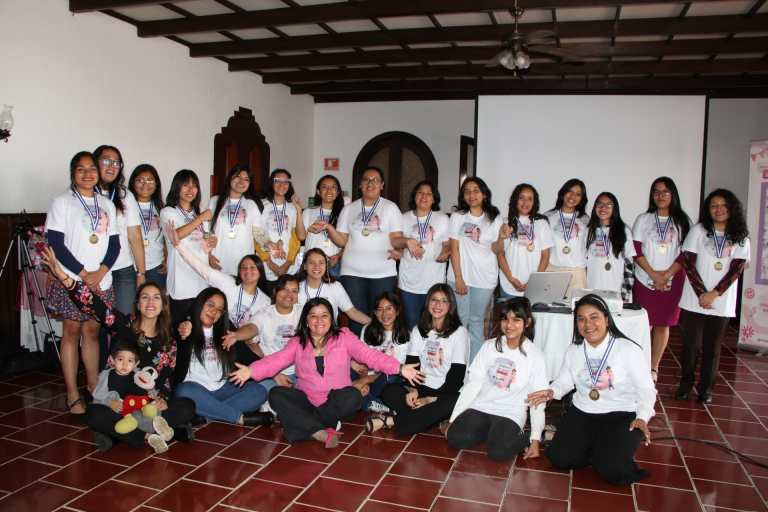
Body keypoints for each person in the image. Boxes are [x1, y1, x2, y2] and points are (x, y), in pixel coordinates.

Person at [42, 246, 195, 451]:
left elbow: (168, 377)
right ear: (137, 304)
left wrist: (163, 399)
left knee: (187, 406)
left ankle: (125, 435)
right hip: (119, 405)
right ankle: (153, 434)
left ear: (163, 305)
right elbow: (92, 303)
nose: (150, 302)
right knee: (94, 413)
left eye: (156, 297)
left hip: (148, 406)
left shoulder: (168, 339)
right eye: (145, 297)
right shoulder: (123, 325)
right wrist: (62, 276)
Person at [229, 297, 424, 448]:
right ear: (306, 320)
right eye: (313, 316)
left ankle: (303, 426)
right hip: (307, 401)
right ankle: (319, 430)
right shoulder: (298, 342)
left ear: (332, 319)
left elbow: (370, 356)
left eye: (324, 315)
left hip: (335, 402)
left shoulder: (344, 337)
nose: (319, 320)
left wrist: (399, 368)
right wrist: (251, 371)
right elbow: (276, 360)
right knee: (275, 394)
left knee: (353, 396)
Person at [528, 294, 656, 485]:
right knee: (559, 458)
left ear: (607, 319)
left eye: (594, 317)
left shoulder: (628, 350)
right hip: (584, 411)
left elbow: (646, 389)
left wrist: (642, 417)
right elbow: (565, 380)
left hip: (621, 414)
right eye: (581, 319)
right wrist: (551, 391)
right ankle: (597, 446)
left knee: (614, 471)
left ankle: (604, 449)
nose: (588, 324)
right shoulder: (575, 350)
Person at [45, 151, 119, 416]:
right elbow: (55, 243)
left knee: (92, 332)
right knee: (71, 332)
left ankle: (93, 387)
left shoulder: (106, 204)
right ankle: (72, 393)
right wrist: (83, 273)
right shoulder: (62, 202)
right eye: (81, 169)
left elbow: (114, 244)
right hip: (72, 279)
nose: (87, 174)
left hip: (101, 281)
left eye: (92, 169)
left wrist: (100, 272)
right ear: (73, 173)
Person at [446, 298, 548, 461]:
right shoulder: (489, 346)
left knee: (499, 452)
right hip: (482, 406)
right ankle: (493, 433)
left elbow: (538, 399)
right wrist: (455, 418)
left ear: (527, 322)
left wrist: (535, 439)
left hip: (510, 412)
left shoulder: (536, 356)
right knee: (455, 437)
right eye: (505, 319)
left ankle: (529, 436)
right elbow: (473, 384)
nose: (509, 325)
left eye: (516, 320)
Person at [676, 189, 750, 404]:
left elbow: (736, 269)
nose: (719, 210)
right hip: (694, 300)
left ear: (732, 208)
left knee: (713, 348)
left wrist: (714, 294)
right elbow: (688, 263)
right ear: (708, 209)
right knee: (691, 346)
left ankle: (706, 389)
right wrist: (702, 294)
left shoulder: (741, 236)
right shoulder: (699, 230)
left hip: (721, 301)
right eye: (714, 206)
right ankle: (685, 385)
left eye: (723, 205)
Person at [164, 220, 270, 365]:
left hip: (244, 341)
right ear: (239, 271)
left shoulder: (265, 301)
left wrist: (249, 341)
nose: (248, 271)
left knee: (259, 356)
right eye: (244, 268)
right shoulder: (228, 282)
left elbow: (260, 329)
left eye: (253, 268)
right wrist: (178, 245)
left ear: (260, 271)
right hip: (220, 335)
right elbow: (201, 268)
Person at [372, 284, 470, 437]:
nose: (438, 305)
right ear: (428, 302)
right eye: (434, 300)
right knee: (389, 391)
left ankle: (391, 421)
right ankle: (429, 418)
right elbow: (413, 366)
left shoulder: (459, 332)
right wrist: (413, 390)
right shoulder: (419, 330)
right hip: (422, 387)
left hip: (448, 391)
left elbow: (456, 377)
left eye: (444, 301)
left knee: (452, 402)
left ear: (450, 305)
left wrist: (430, 399)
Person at [324, 167, 406, 335]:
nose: (370, 183)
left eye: (375, 180)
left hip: (383, 272)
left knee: (383, 317)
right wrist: (329, 228)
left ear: (382, 185)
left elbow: (396, 238)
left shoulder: (390, 208)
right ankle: (358, 351)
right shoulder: (349, 209)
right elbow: (342, 240)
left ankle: (380, 349)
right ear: (360, 185)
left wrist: (406, 244)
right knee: (356, 320)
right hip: (352, 272)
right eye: (366, 179)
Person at [174, 287, 272, 426]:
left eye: (219, 310)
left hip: (224, 387)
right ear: (200, 303)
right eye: (210, 305)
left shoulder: (225, 331)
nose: (214, 311)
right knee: (183, 391)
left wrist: (273, 372)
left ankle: (208, 415)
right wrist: (185, 322)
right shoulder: (185, 328)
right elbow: (175, 325)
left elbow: (249, 357)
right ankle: (239, 418)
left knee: (259, 391)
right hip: (196, 390)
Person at [632, 177, 690, 382]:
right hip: (644, 278)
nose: (661, 196)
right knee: (643, 324)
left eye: (665, 192)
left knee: (663, 325)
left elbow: (686, 253)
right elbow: (636, 249)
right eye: (656, 192)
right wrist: (654, 274)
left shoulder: (682, 221)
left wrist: (665, 275)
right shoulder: (643, 219)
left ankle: (653, 368)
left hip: (672, 281)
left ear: (673, 194)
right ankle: (638, 366)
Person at [448, 177, 504, 362]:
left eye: (476, 191)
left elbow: (496, 249)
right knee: (460, 322)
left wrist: (502, 237)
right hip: (459, 277)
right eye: (467, 191)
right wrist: (459, 278)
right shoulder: (458, 216)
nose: (471, 195)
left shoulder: (494, 217)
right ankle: (458, 365)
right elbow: (454, 248)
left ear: (484, 194)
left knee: (476, 321)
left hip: (484, 278)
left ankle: (473, 368)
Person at [88, 339, 174, 453]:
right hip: (119, 414)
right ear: (112, 360)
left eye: (130, 361)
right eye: (120, 359)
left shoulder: (138, 376)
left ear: (136, 363)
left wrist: (158, 401)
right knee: (93, 413)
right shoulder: (105, 376)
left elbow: (150, 393)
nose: (124, 364)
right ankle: (147, 436)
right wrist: (109, 402)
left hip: (139, 414)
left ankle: (159, 428)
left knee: (179, 407)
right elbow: (97, 398)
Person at [94, 145, 146, 315]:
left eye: (117, 163)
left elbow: (135, 236)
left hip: (122, 268)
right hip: (94, 269)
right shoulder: (83, 194)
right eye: (107, 161)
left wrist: (141, 273)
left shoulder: (125, 195)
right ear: (95, 162)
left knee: (125, 319)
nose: (112, 166)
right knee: (97, 322)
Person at [160, 170, 215, 325]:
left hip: (201, 282)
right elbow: (176, 235)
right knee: (181, 331)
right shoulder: (168, 211)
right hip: (181, 284)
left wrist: (212, 242)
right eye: (186, 185)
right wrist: (201, 218)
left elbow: (205, 238)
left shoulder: (197, 214)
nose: (191, 189)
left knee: (199, 330)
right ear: (177, 187)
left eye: (194, 186)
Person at [398, 180, 451, 329]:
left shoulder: (442, 218)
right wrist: (397, 251)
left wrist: (445, 253)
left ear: (434, 199)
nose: (424, 196)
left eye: (429, 194)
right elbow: (398, 242)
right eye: (420, 193)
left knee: (433, 325)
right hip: (409, 281)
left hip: (434, 281)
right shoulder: (403, 218)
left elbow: (448, 244)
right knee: (412, 325)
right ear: (414, 196)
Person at [495, 183, 554, 299]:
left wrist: (533, 282)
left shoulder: (541, 224)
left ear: (534, 202)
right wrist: (511, 279)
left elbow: (545, 256)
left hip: (533, 288)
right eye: (521, 198)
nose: (525, 202)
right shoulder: (505, 223)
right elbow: (500, 254)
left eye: (530, 199)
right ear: (515, 200)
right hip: (508, 286)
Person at [357, 292, 411, 412]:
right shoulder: (367, 329)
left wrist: (364, 381)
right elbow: (362, 363)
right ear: (375, 313)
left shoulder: (406, 335)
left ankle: (367, 402)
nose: (384, 314)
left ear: (397, 311)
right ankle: (381, 405)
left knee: (390, 376)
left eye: (389, 308)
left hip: (389, 380)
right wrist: (364, 380)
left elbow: (396, 369)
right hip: (369, 377)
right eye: (380, 309)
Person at [249, 274, 302, 393]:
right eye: (285, 290)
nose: (289, 295)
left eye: (294, 291)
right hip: (271, 375)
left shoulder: (304, 312)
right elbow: (251, 344)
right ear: (275, 292)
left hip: (300, 372)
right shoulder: (263, 314)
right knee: (261, 392)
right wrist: (274, 373)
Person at [208, 164, 263, 276]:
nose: (241, 181)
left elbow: (258, 233)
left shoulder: (251, 204)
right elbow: (205, 230)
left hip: (243, 264)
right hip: (218, 261)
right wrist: (208, 256)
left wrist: (272, 245)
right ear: (230, 178)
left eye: (246, 179)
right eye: (238, 176)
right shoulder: (215, 201)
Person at [259, 169, 305, 296]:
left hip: (289, 265)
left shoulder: (292, 208)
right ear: (271, 183)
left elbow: (301, 236)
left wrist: (299, 211)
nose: (282, 185)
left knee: (288, 300)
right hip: (266, 264)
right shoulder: (261, 205)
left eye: (286, 181)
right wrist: (271, 264)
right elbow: (256, 235)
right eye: (277, 181)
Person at [297, 248, 370, 326]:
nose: (317, 266)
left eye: (321, 263)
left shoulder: (335, 286)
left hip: (329, 332)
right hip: (303, 332)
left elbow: (353, 313)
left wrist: (375, 324)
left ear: (326, 266)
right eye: (312, 263)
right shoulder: (296, 288)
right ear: (305, 266)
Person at [585, 192, 636, 301]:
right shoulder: (588, 231)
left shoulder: (624, 231)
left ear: (614, 208)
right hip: (592, 288)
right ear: (595, 207)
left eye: (608, 205)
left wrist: (625, 294)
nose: (603, 207)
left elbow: (629, 265)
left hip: (616, 290)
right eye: (600, 204)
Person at [544, 178, 590, 299]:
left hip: (577, 272)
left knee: (576, 308)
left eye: (578, 194)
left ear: (582, 199)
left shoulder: (585, 219)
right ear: (563, 192)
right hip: (553, 269)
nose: (572, 196)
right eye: (570, 191)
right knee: (550, 307)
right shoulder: (547, 217)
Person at [129, 164, 167, 289]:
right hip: (131, 266)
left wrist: (167, 259)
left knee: (155, 300)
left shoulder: (162, 208)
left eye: (150, 180)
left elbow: (166, 238)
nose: (145, 184)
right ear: (133, 183)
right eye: (140, 180)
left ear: (156, 184)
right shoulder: (126, 206)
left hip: (157, 266)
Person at [303, 175, 344, 277]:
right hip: (311, 263)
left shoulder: (344, 213)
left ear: (338, 192)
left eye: (333, 187)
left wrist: (339, 255)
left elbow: (349, 241)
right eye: (324, 187)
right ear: (318, 191)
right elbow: (301, 236)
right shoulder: (308, 212)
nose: (329, 190)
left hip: (333, 263)